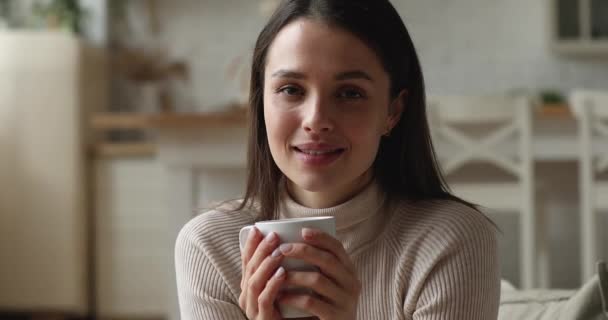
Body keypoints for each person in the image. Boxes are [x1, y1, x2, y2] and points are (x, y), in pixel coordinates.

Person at [175, 0, 500, 319]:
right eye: (291, 89)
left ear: (393, 111)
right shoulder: (210, 248)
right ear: (261, 102)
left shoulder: (451, 241)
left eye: (349, 93)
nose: (316, 120)